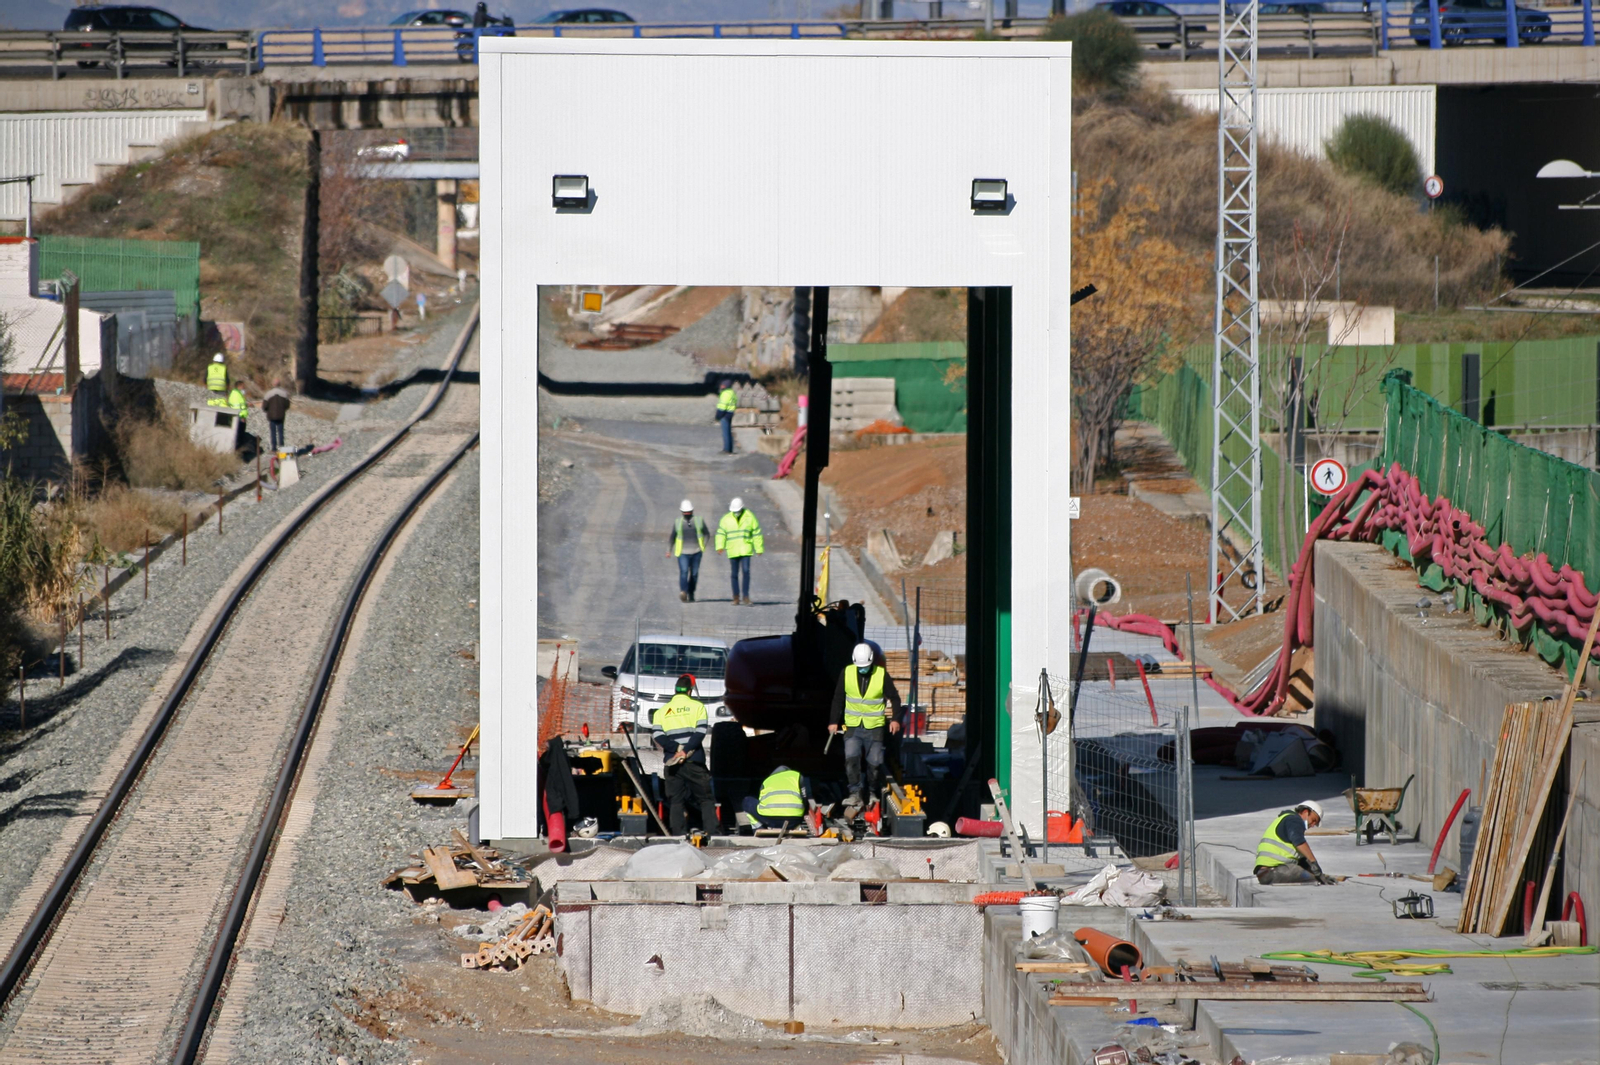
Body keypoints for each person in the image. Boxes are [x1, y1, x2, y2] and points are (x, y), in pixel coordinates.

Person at [828, 642, 903, 812]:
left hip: (874, 727)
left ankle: (872, 792)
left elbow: (895, 698)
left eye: (866, 666)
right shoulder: (847, 673)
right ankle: (855, 792)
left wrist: (895, 719)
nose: (863, 669)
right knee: (851, 758)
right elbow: (838, 698)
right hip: (853, 726)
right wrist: (833, 721)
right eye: (860, 666)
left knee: (874, 762)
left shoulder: (881, 674)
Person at [652, 674, 719, 835]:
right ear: (689, 692)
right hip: (693, 760)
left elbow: (657, 735)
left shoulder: (661, 711)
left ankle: (678, 836)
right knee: (706, 800)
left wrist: (676, 748)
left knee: (676, 801)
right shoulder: (697, 707)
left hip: (672, 762)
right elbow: (700, 732)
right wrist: (685, 750)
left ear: (675, 691)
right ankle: (713, 834)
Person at [1254, 800, 1334, 885]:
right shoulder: (1294, 820)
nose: (1313, 824)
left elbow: (1302, 860)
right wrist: (1314, 863)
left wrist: (1316, 872)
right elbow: (1299, 842)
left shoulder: (1286, 819)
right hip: (1271, 872)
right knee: (1307, 876)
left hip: (1265, 873)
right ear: (1305, 812)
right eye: (1313, 820)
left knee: (1307, 872)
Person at [715, 497, 763, 605]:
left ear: (742, 509)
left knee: (746, 572)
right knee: (734, 574)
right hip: (733, 550)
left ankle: (746, 597)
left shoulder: (750, 517)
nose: (736, 513)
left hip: (745, 549)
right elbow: (721, 533)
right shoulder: (726, 519)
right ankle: (736, 597)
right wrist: (720, 546)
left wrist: (758, 548)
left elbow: (756, 533)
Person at [666, 499, 709, 603]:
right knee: (684, 572)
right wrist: (669, 550)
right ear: (682, 512)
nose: (687, 514)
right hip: (683, 552)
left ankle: (691, 592)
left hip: (696, 552)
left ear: (692, 511)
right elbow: (673, 537)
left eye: (689, 512)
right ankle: (684, 592)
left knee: (694, 573)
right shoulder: (678, 522)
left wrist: (703, 546)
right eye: (685, 512)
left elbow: (706, 534)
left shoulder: (699, 520)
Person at [741, 765, 808, 829]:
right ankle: (796, 827)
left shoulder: (767, 780)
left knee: (747, 801)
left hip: (769, 820)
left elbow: (761, 801)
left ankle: (759, 828)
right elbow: (804, 798)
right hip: (794, 820)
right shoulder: (797, 776)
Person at [262, 379, 291, 452]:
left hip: (271, 416)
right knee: (281, 432)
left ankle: (274, 448)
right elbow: (287, 405)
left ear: (273, 384)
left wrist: (267, 410)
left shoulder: (268, 394)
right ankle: (281, 447)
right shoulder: (284, 393)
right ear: (279, 384)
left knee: (273, 432)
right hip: (281, 415)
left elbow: (264, 406)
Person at [715, 379, 737, 454]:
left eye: (722, 385)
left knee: (725, 432)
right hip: (730, 413)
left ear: (726, 386)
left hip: (725, 414)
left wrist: (718, 416)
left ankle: (726, 449)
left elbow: (722, 406)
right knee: (728, 432)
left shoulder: (725, 394)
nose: (721, 386)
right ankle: (730, 448)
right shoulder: (732, 393)